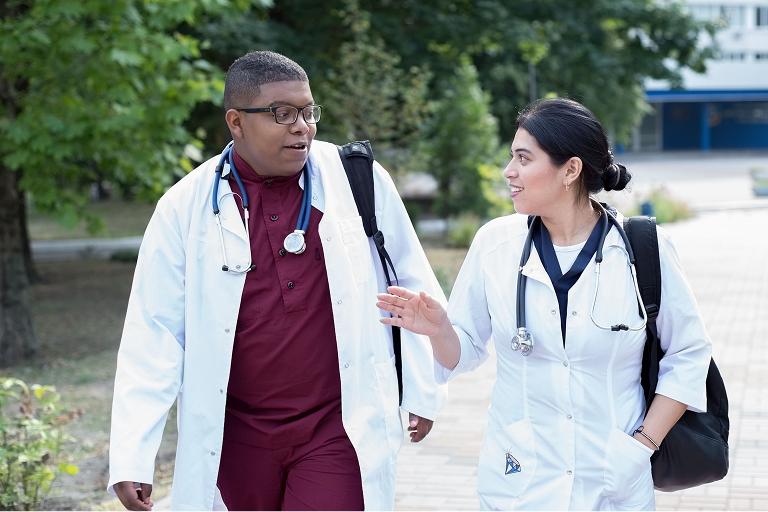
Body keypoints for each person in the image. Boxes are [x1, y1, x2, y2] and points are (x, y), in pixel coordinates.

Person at [108, 50, 445, 511]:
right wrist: (131, 454)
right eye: (281, 114)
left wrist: (423, 388)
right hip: (235, 438)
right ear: (236, 122)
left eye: (308, 112)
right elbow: (154, 332)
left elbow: (410, 280)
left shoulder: (356, 179)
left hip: (336, 427)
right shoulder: (184, 206)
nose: (302, 126)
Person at [377, 98, 712, 510]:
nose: (509, 171)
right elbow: (462, 354)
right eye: (511, 157)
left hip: (613, 476)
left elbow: (689, 353)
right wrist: (439, 329)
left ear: (570, 170)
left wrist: (641, 445)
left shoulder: (642, 248)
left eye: (523, 158)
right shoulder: (495, 244)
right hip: (519, 476)